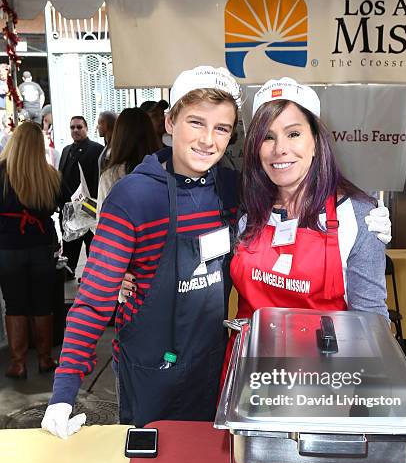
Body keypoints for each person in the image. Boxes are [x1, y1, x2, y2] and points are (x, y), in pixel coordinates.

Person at [41, 66, 242, 438]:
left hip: (212, 370)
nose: (207, 140)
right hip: (149, 373)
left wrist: (352, 210)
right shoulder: (133, 196)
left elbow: (294, 188)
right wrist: (64, 392)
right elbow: (94, 299)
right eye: (196, 123)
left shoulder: (231, 189)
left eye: (221, 128)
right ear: (169, 122)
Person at [231, 77, 388, 333]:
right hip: (251, 366)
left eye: (293, 133)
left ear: (315, 141)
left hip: (325, 370)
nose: (280, 149)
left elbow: (373, 326)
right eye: (267, 137)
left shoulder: (357, 216)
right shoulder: (245, 210)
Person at [0, 121, 61, 378]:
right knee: (42, 304)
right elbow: (62, 204)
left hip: (8, 248)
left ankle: (18, 363)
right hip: (41, 246)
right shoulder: (49, 175)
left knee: (14, 305)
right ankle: (46, 359)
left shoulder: (1, 173)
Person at [58, 115, 103, 280]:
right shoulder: (65, 150)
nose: (75, 130)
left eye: (79, 127)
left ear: (86, 129)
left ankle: (93, 278)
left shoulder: (97, 149)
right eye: (72, 127)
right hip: (68, 208)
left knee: (91, 244)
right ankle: (68, 272)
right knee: (70, 245)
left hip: (89, 206)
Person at [96, 108, 159, 222]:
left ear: (119, 134)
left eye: (100, 123)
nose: (97, 127)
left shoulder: (111, 176)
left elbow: (102, 223)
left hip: (123, 237)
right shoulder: (164, 169)